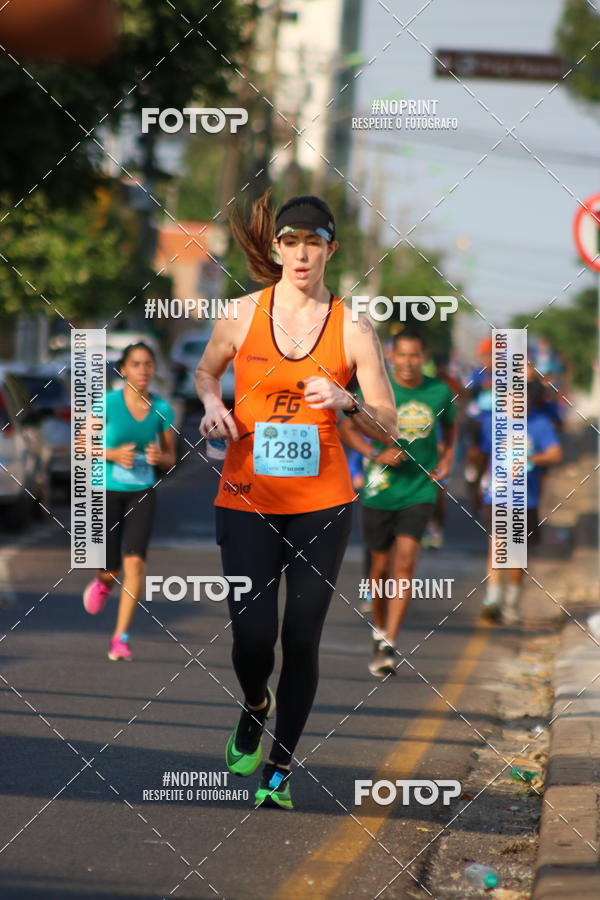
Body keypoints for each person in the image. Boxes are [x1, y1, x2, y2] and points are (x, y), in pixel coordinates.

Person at [195, 191, 398, 810]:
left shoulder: (353, 327)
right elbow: (206, 373)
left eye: (314, 242)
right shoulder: (240, 314)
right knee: (253, 637)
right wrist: (212, 408)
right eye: (291, 242)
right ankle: (256, 704)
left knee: (302, 636)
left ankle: (279, 769)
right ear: (277, 249)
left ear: (331, 250)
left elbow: (388, 425)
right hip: (246, 495)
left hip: (322, 502)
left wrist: (349, 404)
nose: (302, 253)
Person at [340, 329, 457, 677]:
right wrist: (374, 454)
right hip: (380, 490)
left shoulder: (439, 392)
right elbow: (345, 429)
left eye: (415, 355)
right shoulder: (375, 390)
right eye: (401, 355)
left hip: (419, 489)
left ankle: (390, 641)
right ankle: (378, 630)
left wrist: (449, 457)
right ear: (391, 356)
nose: (408, 362)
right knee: (379, 569)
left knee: (405, 562)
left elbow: (451, 426)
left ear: (424, 358)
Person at [82, 342, 176, 660]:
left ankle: (120, 637)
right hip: (106, 489)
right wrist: (111, 454)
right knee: (112, 568)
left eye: (149, 364)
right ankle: (103, 581)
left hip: (142, 491)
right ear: (124, 370)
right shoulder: (107, 403)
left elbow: (170, 459)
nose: (144, 370)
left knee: (135, 562)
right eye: (136, 364)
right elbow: (82, 443)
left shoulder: (163, 408)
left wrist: (159, 457)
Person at [477, 379, 562, 624]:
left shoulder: (540, 424)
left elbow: (556, 454)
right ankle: (492, 598)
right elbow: (482, 454)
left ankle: (511, 602)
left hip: (527, 499)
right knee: (497, 543)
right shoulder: (492, 423)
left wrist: (532, 457)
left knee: (516, 553)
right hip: (497, 495)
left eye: (522, 398)